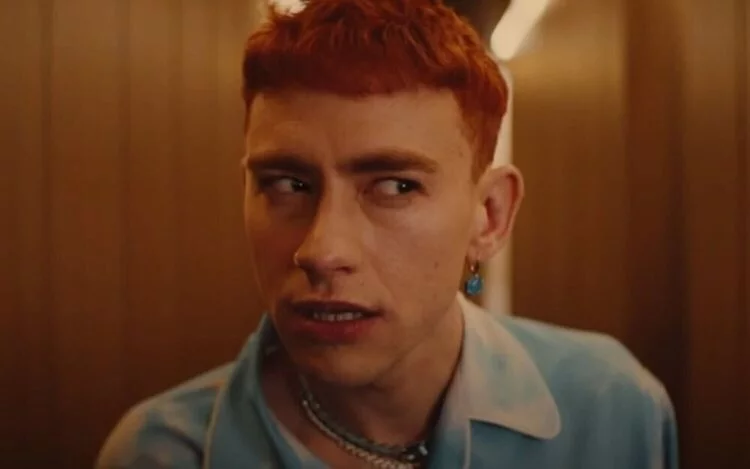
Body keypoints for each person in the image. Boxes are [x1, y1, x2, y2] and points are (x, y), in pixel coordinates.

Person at [96, 0, 678, 468]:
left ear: (489, 216)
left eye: (396, 186)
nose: (321, 251)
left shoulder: (610, 409)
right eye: (288, 184)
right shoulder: (162, 452)